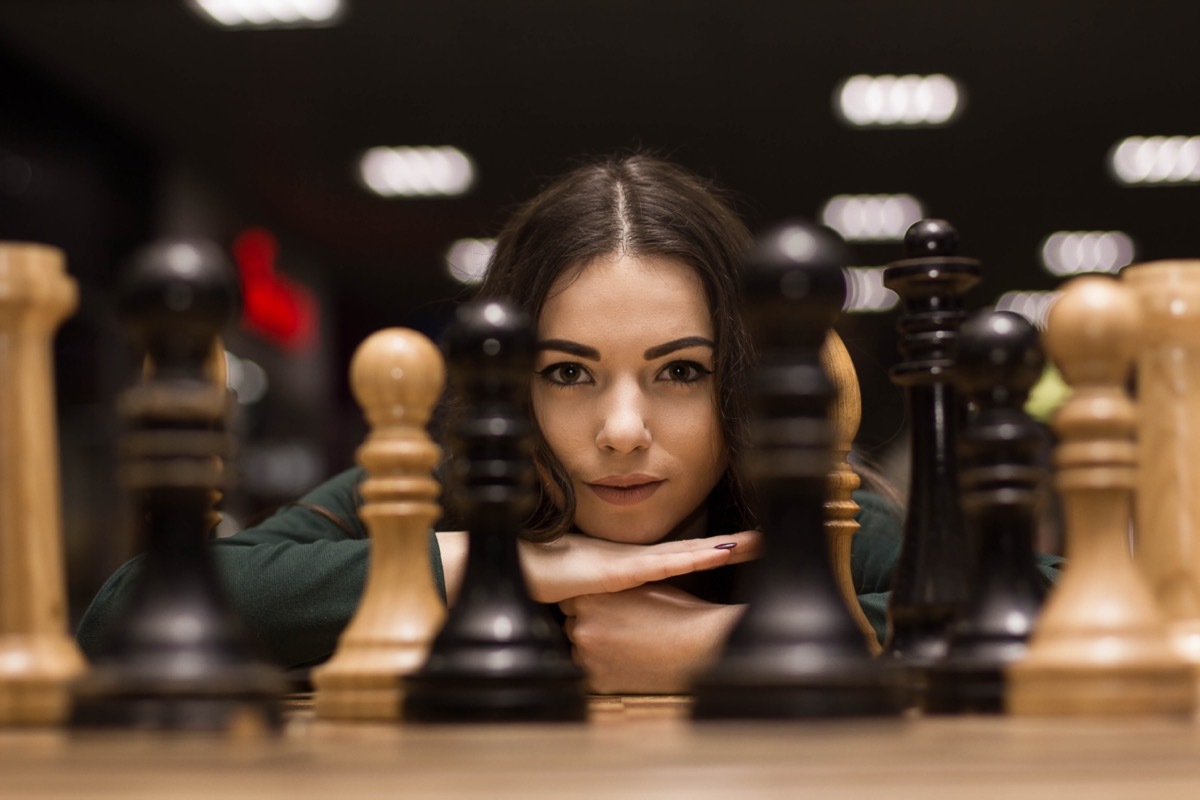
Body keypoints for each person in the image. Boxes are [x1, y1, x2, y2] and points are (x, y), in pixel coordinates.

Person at [75, 154, 1054, 694]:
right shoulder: (461, 473)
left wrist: (722, 642)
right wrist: (502, 561)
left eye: (679, 371)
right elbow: (128, 614)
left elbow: (1054, 604)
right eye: (568, 373)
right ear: (507, 380)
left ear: (743, 379)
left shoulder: (792, 503)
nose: (622, 429)